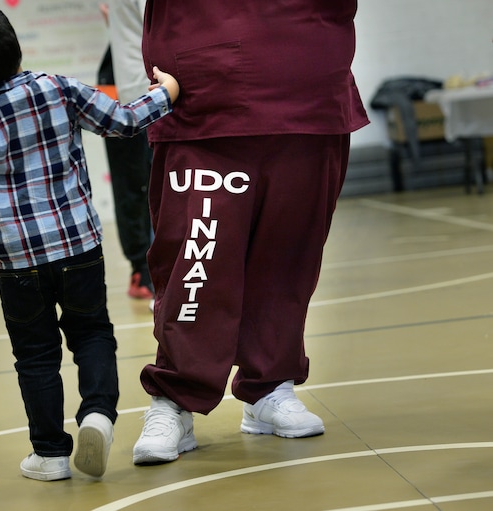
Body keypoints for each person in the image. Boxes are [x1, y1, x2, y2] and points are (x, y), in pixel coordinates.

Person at [0, 6, 178, 481]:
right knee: (92, 333)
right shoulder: (58, 87)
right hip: (79, 246)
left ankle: (48, 454)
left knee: (35, 354)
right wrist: (166, 94)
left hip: (17, 262)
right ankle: (97, 416)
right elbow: (125, 123)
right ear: (17, 49)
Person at [132, 1, 370, 465]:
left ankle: (269, 385)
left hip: (310, 92)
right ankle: (176, 397)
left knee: (288, 262)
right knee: (195, 261)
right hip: (206, 97)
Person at [97, 2, 155, 303]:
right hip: (142, 92)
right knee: (144, 184)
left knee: (134, 184)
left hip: (125, 87)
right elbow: (160, 28)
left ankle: (144, 271)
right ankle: (147, 272)